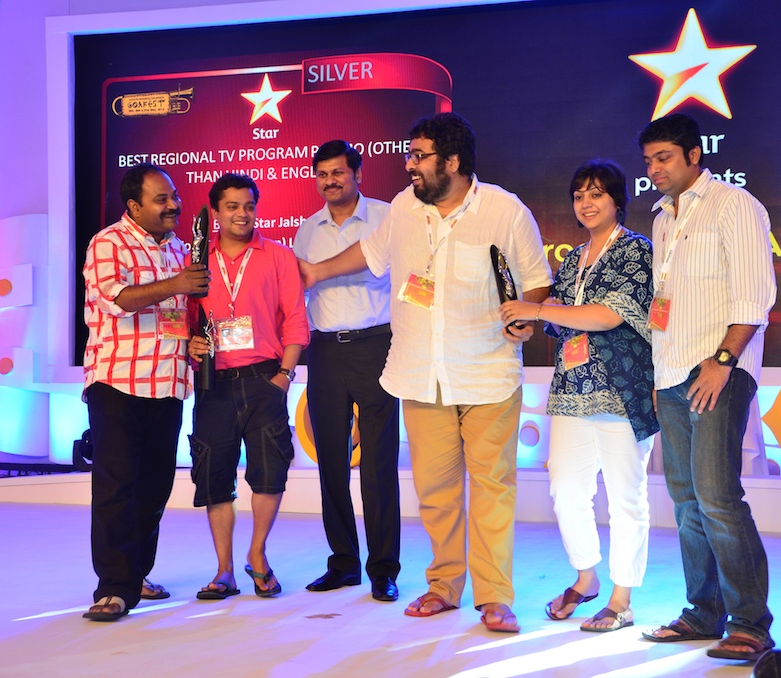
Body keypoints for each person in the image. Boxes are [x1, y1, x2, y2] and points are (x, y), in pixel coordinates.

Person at [299, 112, 552, 633]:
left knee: (492, 488)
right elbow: (370, 253)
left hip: (486, 372)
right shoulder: (403, 208)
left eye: (419, 156)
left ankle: (494, 597)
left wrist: (528, 318)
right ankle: (443, 585)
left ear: (452, 162)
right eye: (409, 155)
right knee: (436, 491)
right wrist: (317, 271)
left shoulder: (504, 210)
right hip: (420, 373)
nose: (409, 165)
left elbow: (536, 280)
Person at [636, 113, 777, 660]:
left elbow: (754, 295)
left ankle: (750, 623)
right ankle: (703, 612)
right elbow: (663, 306)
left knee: (718, 497)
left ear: (695, 155)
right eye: (649, 161)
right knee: (687, 500)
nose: (654, 169)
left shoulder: (734, 205)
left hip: (718, 370)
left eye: (664, 158)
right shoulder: (662, 218)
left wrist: (722, 361)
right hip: (672, 374)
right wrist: (658, 375)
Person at [501, 159, 659, 633]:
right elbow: (560, 318)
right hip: (572, 389)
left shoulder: (636, 250)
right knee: (566, 490)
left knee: (626, 497)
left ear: (617, 200)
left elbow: (608, 316)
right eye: (578, 195)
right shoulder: (573, 258)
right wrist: (528, 321)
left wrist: (537, 309)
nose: (586, 203)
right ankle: (586, 577)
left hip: (623, 389)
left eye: (596, 194)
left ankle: (621, 599)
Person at [82, 162, 210, 621]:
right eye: (162, 199)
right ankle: (113, 588)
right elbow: (116, 299)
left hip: (168, 383)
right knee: (116, 486)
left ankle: (137, 573)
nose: (174, 204)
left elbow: (185, 313)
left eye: (174, 196)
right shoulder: (108, 243)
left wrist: (194, 340)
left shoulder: (181, 250)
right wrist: (176, 284)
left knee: (155, 487)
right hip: (118, 381)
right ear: (134, 206)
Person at [188, 173, 308, 600]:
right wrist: (190, 342)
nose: (242, 214)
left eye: (249, 206)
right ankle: (224, 571)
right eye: (232, 207)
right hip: (214, 384)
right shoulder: (196, 261)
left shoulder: (278, 256)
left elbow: (296, 319)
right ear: (215, 212)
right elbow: (184, 319)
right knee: (214, 478)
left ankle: (257, 554)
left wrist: (284, 377)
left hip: (265, 380)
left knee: (270, 474)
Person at [293, 141, 402, 602]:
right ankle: (343, 563)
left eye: (338, 172)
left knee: (379, 465)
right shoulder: (306, 231)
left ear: (358, 173)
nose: (330, 181)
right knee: (331, 464)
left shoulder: (387, 218)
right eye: (322, 174)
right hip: (324, 352)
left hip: (377, 345)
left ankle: (383, 569)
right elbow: (296, 296)